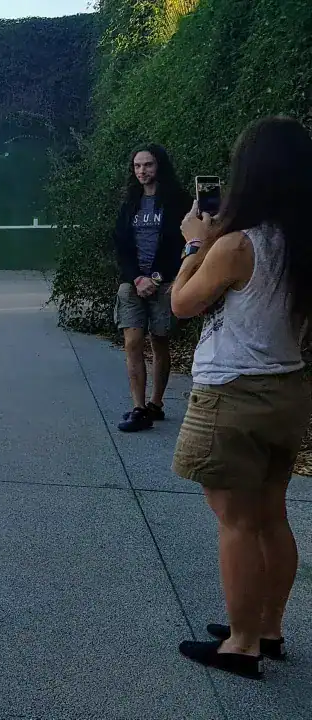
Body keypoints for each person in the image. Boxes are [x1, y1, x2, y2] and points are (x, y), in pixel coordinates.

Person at [170, 116, 312, 680]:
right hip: (288, 391)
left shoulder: (236, 246)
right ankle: (268, 630)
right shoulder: (301, 244)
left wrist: (194, 244)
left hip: (232, 394)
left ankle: (241, 644)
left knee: (236, 522)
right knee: (272, 516)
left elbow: (182, 303)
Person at [112, 143, 193, 432]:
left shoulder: (178, 201)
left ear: (159, 166)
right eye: (137, 166)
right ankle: (138, 408)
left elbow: (183, 243)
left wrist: (156, 278)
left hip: (165, 283)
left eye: (148, 165)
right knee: (132, 342)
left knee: (160, 342)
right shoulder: (130, 203)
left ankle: (155, 404)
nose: (142, 171)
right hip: (133, 284)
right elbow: (121, 245)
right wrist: (136, 278)